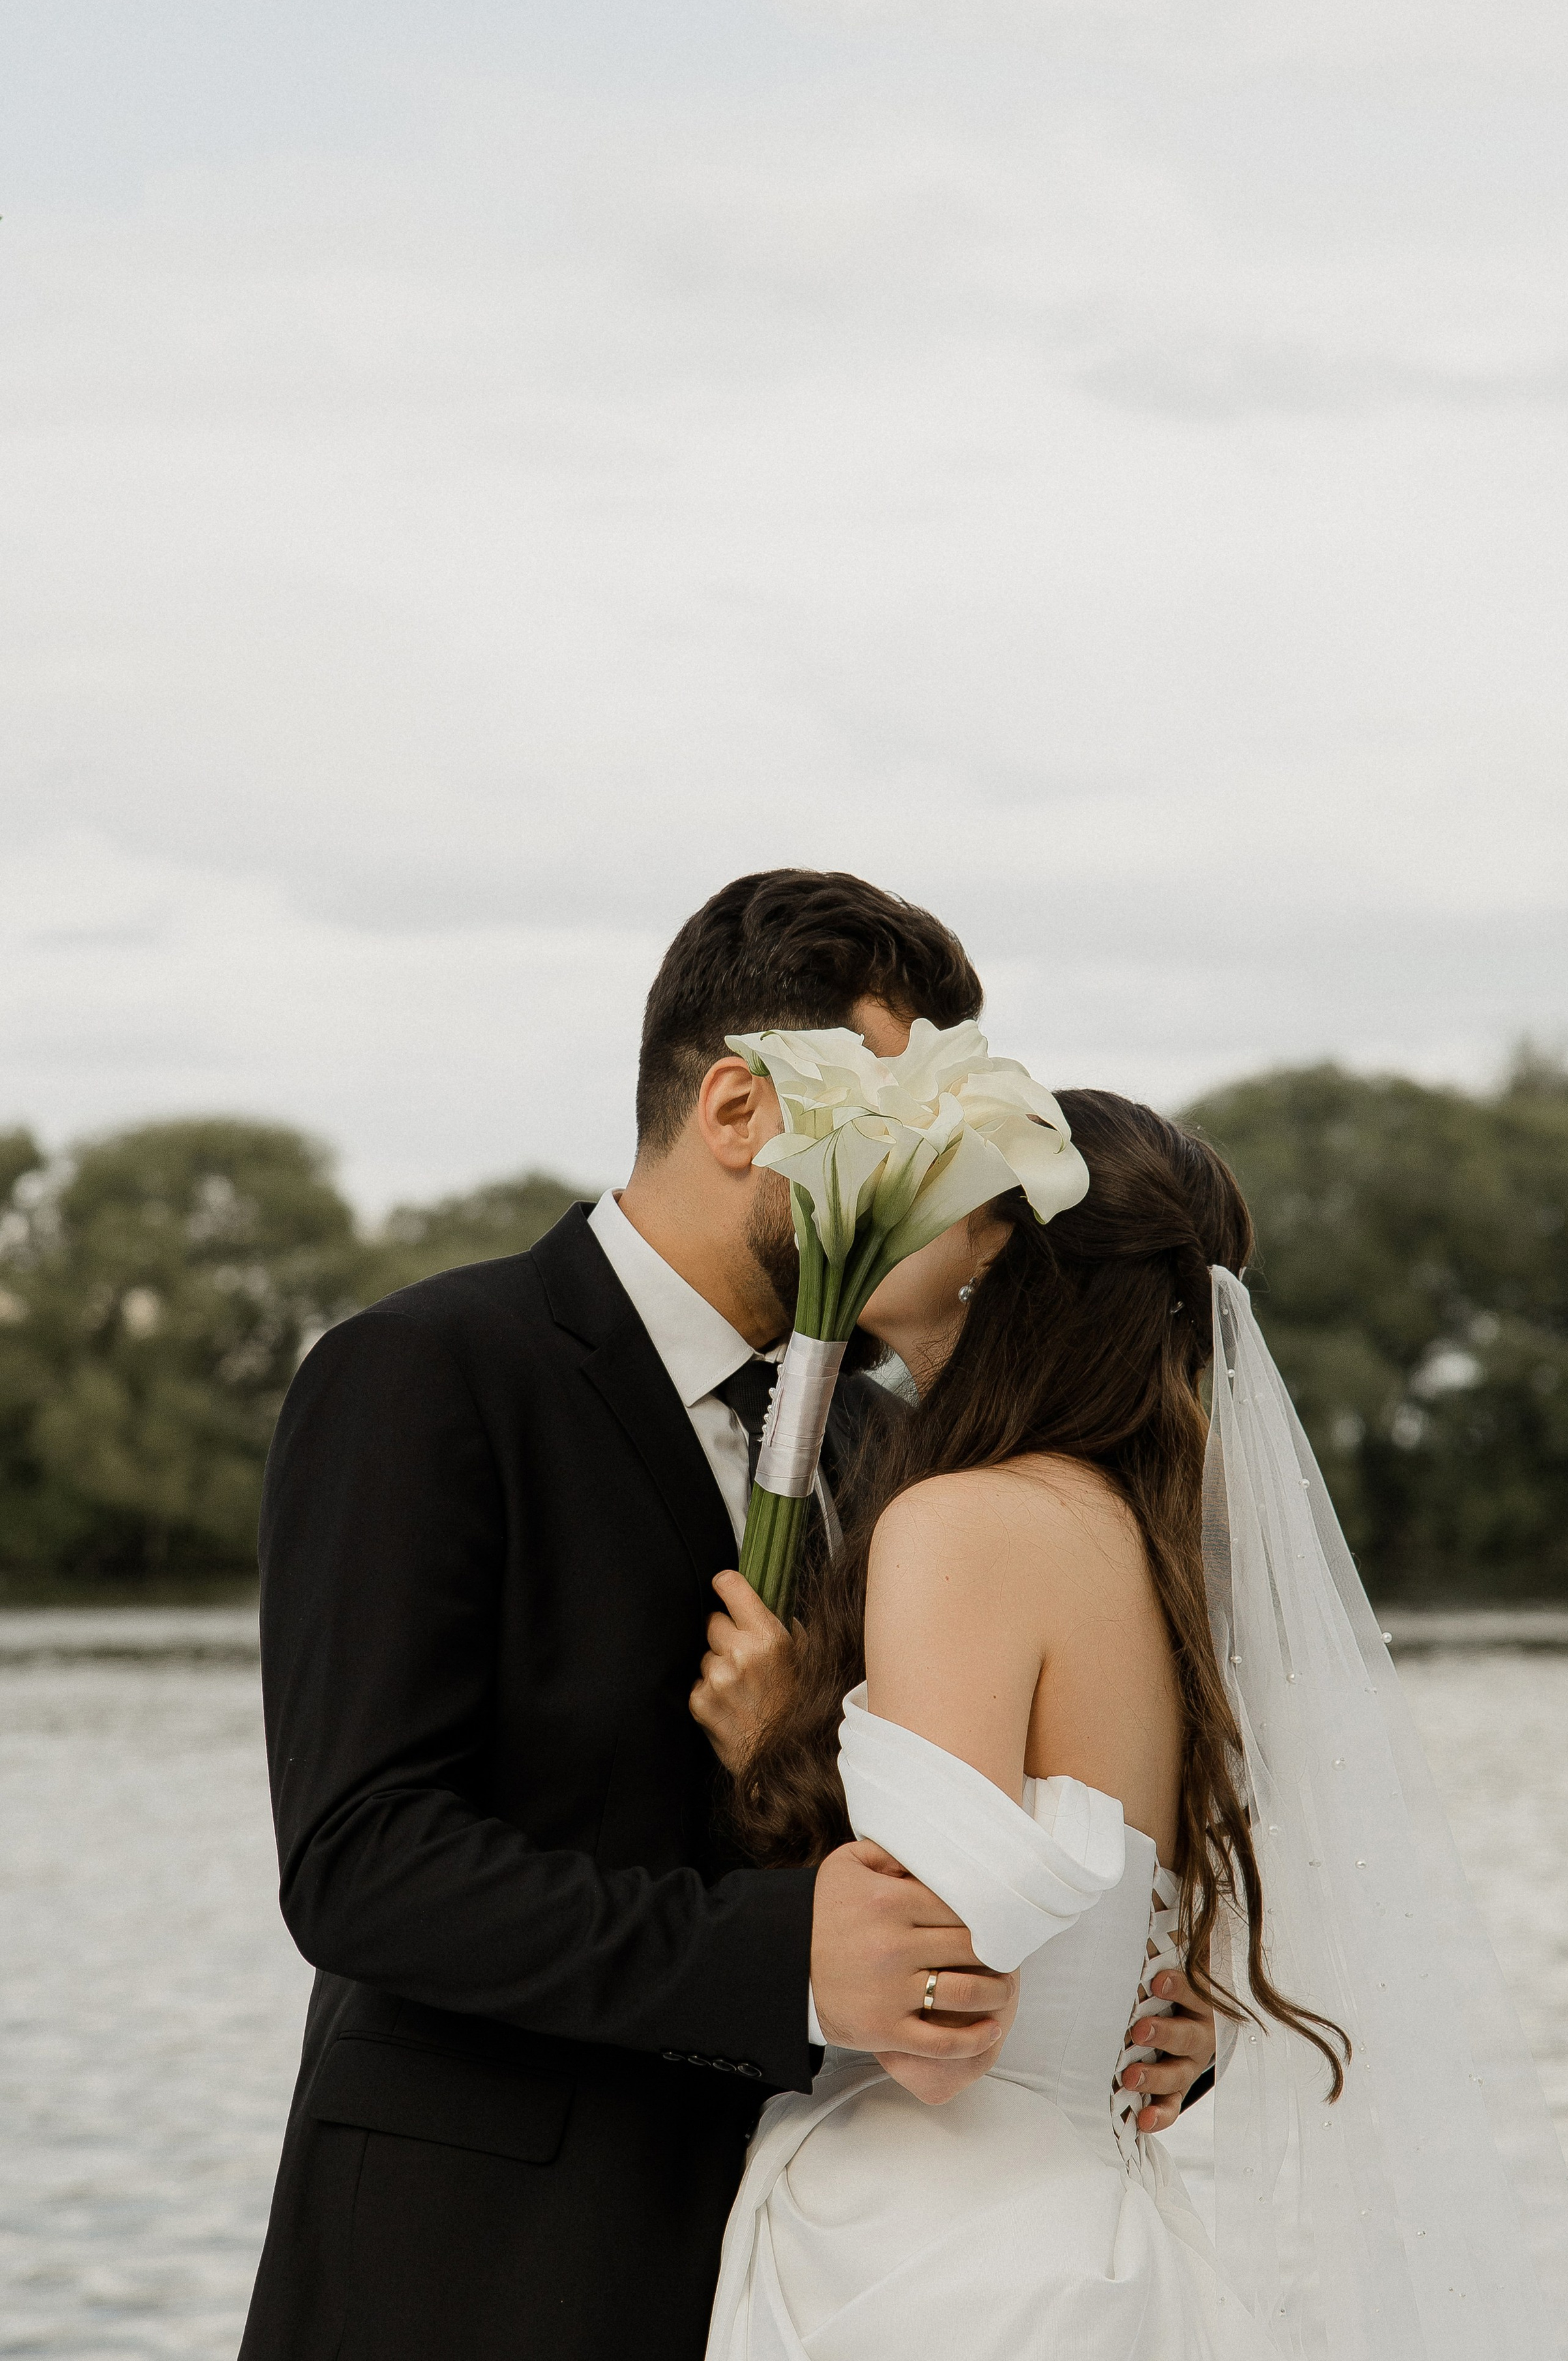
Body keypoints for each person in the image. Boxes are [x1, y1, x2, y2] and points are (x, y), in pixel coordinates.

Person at [237, 871, 1218, 2361]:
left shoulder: (895, 1452)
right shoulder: (427, 1373)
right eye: (897, 1128)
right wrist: (780, 1962)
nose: (937, 1179)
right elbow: (359, 1863)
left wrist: (1131, 2020)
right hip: (478, 2275)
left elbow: (961, 1827)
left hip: (826, 2271)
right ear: (739, 1110)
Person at [694, 1092, 1568, 2361]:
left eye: (928, 1184)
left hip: (933, 2259)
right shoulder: (1161, 1551)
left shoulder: (961, 1525)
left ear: (994, 1251)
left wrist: (766, 1752)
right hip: (1097, 2226)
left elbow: (935, 2026)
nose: (884, 1204)